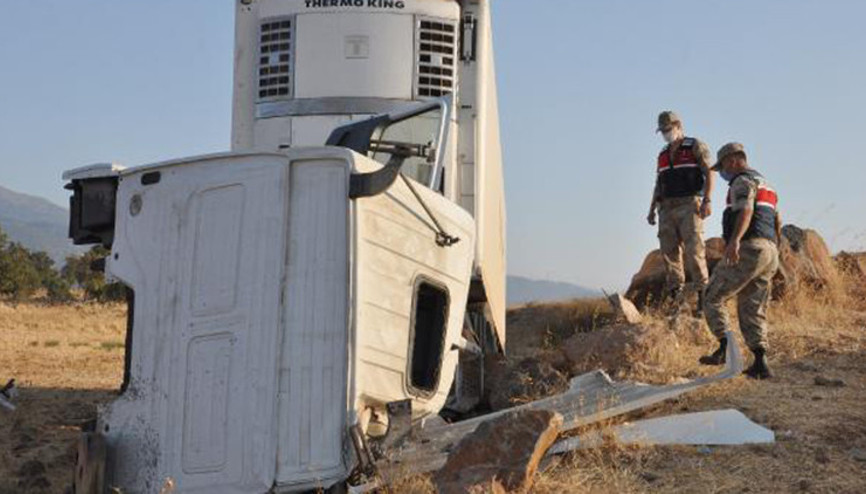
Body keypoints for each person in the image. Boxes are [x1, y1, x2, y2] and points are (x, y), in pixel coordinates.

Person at [699, 142, 781, 379]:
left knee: (713, 295)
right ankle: (760, 362)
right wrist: (775, 247)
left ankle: (725, 348)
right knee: (753, 305)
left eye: (723, 165)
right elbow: (777, 220)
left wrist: (735, 241)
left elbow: (745, 210)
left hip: (749, 247)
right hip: (769, 251)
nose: (722, 171)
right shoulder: (767, 184)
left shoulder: (742, 181)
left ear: (734, 160)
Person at [647, 111, 714, 314]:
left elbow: (709, 171)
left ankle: (704, 298)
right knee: (669, 253)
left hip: (689, 204)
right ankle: (676, 297)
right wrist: (651, 209)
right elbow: (659, 182)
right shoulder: (663, 154)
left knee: (694, 251)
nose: (666, 134)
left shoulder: (695, 145)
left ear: (678, 126)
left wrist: (707, 200)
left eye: (668, 129)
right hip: (666, 207)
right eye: (663, 131)